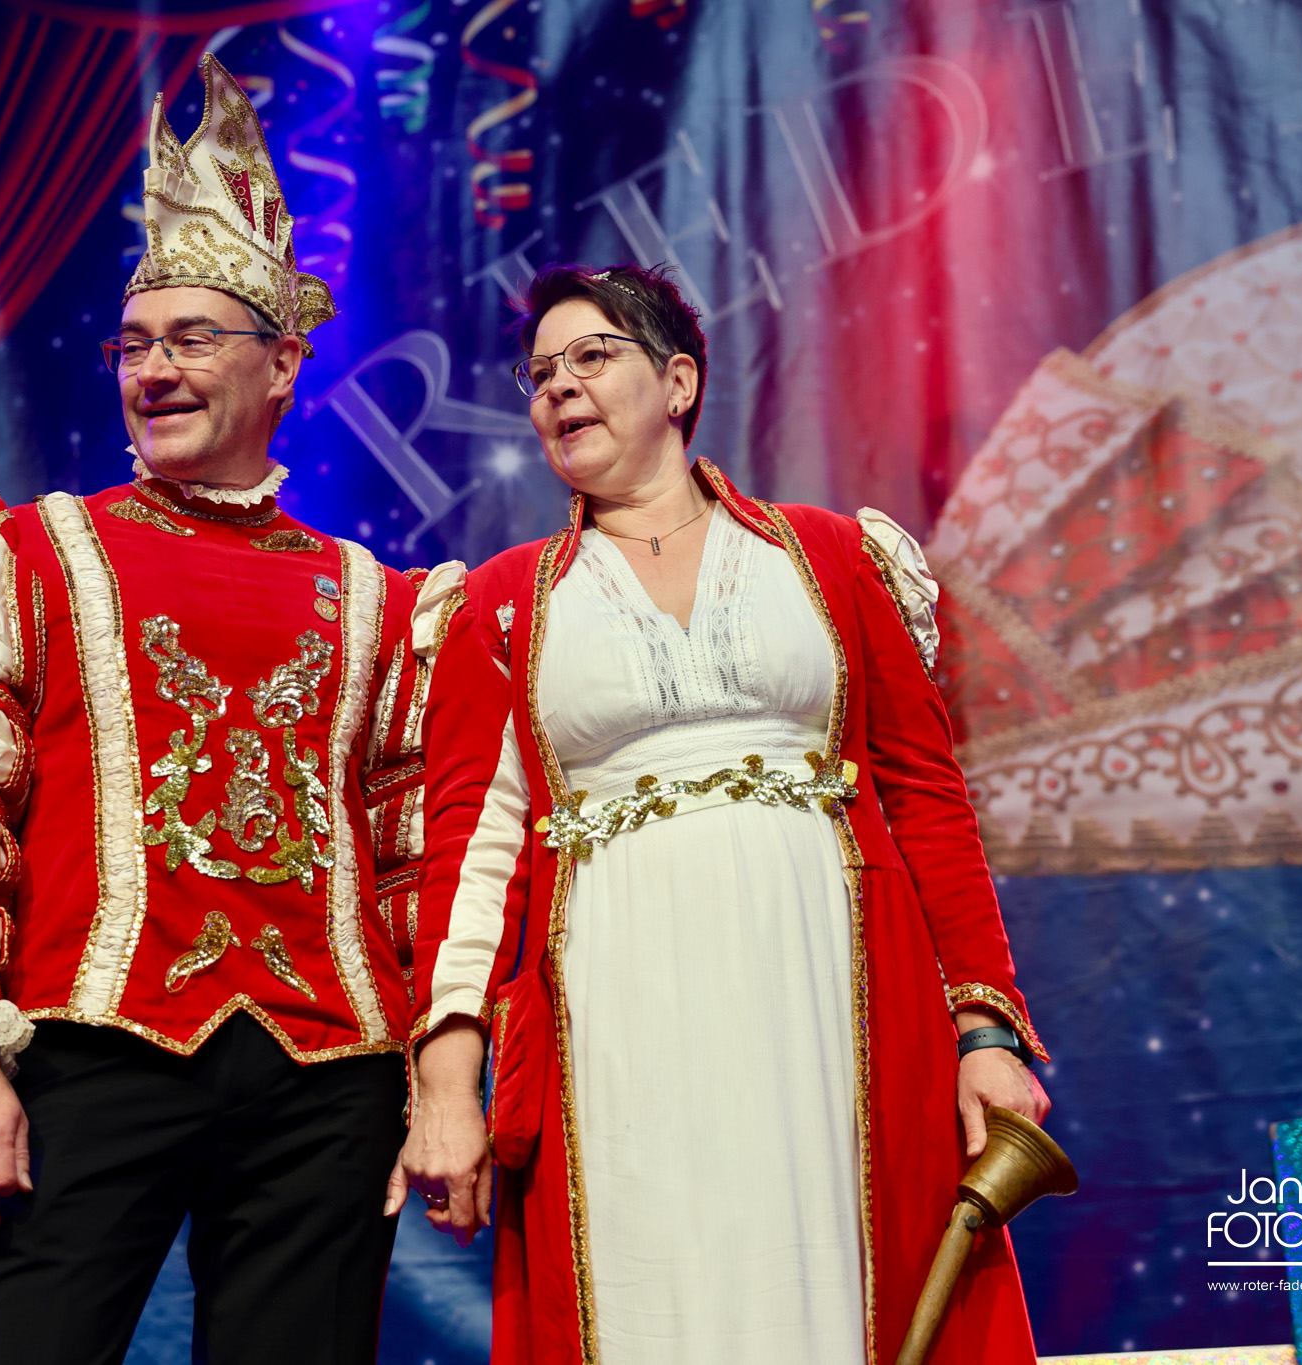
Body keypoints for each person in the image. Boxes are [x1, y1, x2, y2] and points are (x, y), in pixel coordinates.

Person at [0, 55, 463, 1365]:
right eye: (134, 346)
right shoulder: (26, 553)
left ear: (282, 364)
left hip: (328, 1078)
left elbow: (414, 855)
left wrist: (437, 1069)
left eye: (191, 340)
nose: (153, 370)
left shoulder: (381, 598)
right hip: (92, 1051)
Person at [392, 263, 1052, 1364]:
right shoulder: (500, 603)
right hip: (614, 1014)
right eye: (539, 373)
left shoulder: (831, 556)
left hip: (834, 996)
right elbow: (473, 850)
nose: (558, 387)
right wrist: (445, 1085)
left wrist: (984, 1030)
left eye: (591, 356)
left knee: (840, 1279)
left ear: (678, 380)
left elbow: (928, 804)